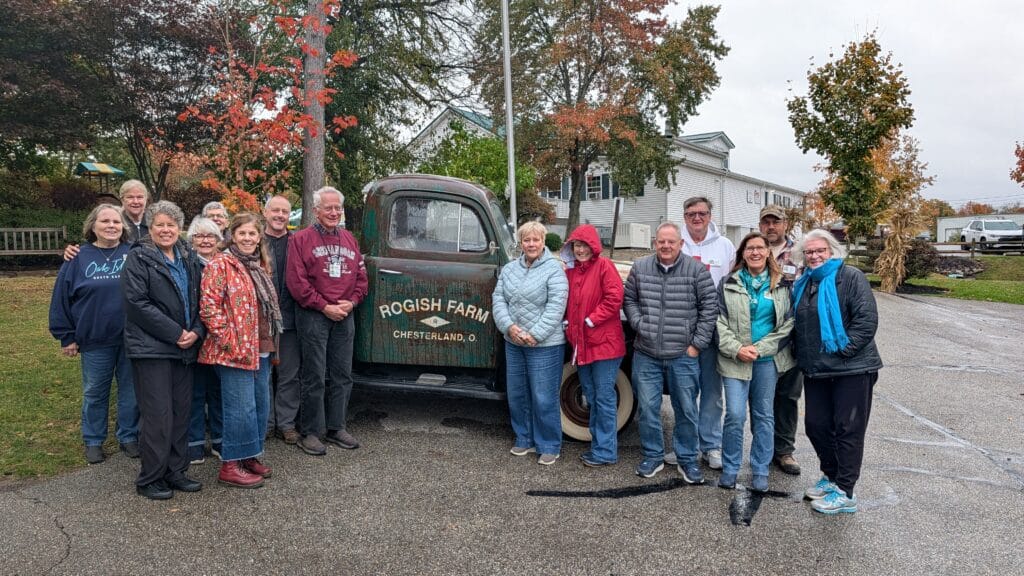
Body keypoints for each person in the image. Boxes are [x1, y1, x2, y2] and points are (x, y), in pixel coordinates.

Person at [792, 229, 883, 515]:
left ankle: (846, 490)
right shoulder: (804, 282)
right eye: (809, 252)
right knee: (816, 425)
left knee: (848, 429)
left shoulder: (850, 277)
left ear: (832, 251)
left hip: (852, 368)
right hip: (817, 369)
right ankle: (831, 476)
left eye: (820, 250)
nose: (814, 256)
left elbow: (866, 321)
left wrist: (843, 351)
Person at [122, 201, 205, 500]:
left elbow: (200, 299)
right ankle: (150, 477)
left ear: (180, 228)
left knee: (181, 412)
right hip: (152, 348)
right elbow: (136, 303)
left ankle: (175, 471)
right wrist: (175, 333)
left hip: (185, 347)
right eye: (160, 225)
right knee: (158, 415)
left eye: (171, 225)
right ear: (151, 228)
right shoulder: (139, 257)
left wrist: (196, 331)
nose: (166, 230)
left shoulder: (188, 256)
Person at [623, 222, 717, 482]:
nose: (665, 246)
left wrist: (696, 345)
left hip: (683, 354)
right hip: (646, 353)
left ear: (680, 244)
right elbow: (629, 299)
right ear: (655, 243)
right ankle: (653, 455)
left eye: (671, 242)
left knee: (686, 409)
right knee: (647, 409)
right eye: (661, 241)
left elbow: (710, 308)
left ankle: (687, 459)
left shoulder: (696, 270)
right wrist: (640, 324)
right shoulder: (640, 267)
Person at [49, 204, 140, 465]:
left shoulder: (134, 253)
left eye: (116, 222)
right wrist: (66, 336)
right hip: (94, 338)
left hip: (131, 337)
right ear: (93, 226)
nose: (111, 226)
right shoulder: (78, 257)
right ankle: (93, 440)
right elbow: (61, 298)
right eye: (105, 221)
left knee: (131, 391)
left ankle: (128, 436)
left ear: (123, 227)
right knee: (95, 392)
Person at [199, 213, 281, 489]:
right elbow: (209, 308)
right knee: (239, 409)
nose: (247, 238)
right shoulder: (220, 264)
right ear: (232, 236)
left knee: (259, 405)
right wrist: (228, 341)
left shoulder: (258, 265)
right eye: (242, 233)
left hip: (261, 347)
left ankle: (249, 455)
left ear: (259, 238)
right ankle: (230, 465)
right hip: (234, 350)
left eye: (252, 234)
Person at [286, 187, 367, 456]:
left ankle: (336, 427)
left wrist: (352, 302)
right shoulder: (300, 239)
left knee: (343, 374)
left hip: (344, 314)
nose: (333, 212)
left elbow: (361, 279)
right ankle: (310, 431)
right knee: (314, 374)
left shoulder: (349, 239)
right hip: (313, 315)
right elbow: (297, 282)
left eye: (337, 208)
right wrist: (323, 306)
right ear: (316, 210)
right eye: (328, 208)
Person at [715, 232, 795, 492]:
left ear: (768, 252)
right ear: (743, 253)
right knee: (735, 415)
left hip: (766, 360)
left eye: (760, 248)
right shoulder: (728, 283)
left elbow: (787, 325)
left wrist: (759, 349)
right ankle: (730, 468)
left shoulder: (782, 284)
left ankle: (760, 469)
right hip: (734, 359)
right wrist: (737, 349)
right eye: (750, 248)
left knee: (763, 416)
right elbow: (718, 321)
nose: (755, 252)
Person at [493, 221, 568, 466]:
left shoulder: (554, 269)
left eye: (536, 239)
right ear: (521, 243)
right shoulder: (509, 269)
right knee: (517, 394)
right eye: (527, 240)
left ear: (543, 242)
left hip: (545, 345)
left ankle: (549, 445)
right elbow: (498, 299)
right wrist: (509, 327)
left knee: (543, 396)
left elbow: (556, 306)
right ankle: (524, 438)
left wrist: (535, 334)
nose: (531, 244)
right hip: (514, 341)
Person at [559, 224, 625, 467]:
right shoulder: (571, 272)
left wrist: (591, 319)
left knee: (604, 397)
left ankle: (606, 451)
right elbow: (567, 301)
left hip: (604, 344)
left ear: (594, 246)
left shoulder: (604, 266)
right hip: (582, 345)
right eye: (577, 245)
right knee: (592, 395)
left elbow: (615, 297)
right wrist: (568, 322)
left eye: (585, 245)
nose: (581, 250)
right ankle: (600, 446)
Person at [680, 196, 735, 471]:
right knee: (685, 391)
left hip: (714, 328)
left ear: (710, 216)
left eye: (702, 213)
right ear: (685, 216)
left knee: (712, 392)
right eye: (691, 213)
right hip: (682, 329)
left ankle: (711, 445)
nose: (697, 217)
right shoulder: (677, 243)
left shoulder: (725, 246)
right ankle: (686, 446)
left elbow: (733, 284)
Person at [759, 205, 803, 475]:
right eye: (766, 222)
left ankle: (784, 450)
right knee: (761, 397)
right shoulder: (753, 250)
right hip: (760, 334)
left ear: (785, 224)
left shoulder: (799, 253)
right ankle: (762, 449)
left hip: (791, 336)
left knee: (787, 395)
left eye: (776, 222)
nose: (771, 227)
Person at [185, 217, 224, 464]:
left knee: (218, 391)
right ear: (192, 240)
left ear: (218, 240)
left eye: (210, 236)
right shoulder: (186, 264)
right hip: (195, 337)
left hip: (220, 338)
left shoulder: (224, 263)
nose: (205, 240)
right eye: (200, 236)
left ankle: (220, 441)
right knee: (196, 392)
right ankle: (195, 444)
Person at [263, 195, 301, 445]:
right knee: (263, 375)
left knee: (289, 374)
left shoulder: (297, 242)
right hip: (262, 321)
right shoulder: (254, 241)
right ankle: (266, 423)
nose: (279, 215)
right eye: (275, 210)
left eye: (284, 212)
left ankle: (286, 424)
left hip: (291, 318)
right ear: (265, 212)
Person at [62, 180, 150, 261]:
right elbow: (91, 243)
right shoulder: (113, 223)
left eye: (140, 197)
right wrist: (71, 251)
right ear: (122, 200)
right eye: (130, 197)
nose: (135, 201)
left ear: (146, 199)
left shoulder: (154, 222)